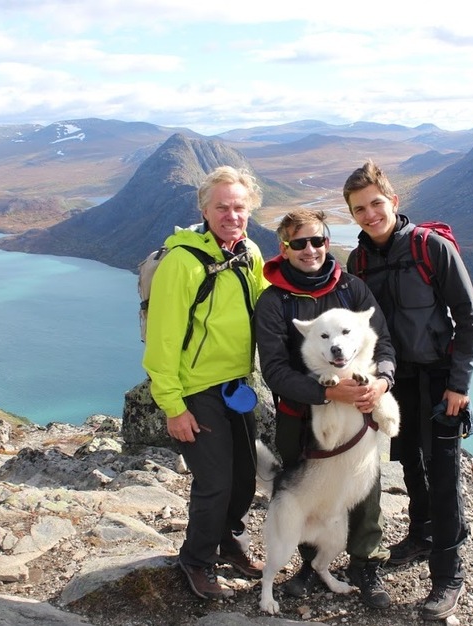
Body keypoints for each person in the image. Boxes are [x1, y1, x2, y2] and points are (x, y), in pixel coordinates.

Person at [342, 160, 473, 621]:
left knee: (443, 475)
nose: (369, 214)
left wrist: (459, 385)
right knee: (409, 463)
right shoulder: (358, 262)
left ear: (394, 202)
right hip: (394, 382)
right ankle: (421, 534)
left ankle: (448, 574)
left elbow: (468, 315)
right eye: (359, 209)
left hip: (440, 378)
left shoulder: (430, 247)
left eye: (376, 204)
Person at [254, 209, 396, 609]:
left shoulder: (352, 289)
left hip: (361, 412)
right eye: (299, 243)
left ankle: (366, 563)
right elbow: (275, 370)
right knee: (305, 490)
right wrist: (328, 394)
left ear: (326, 241)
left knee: (363, 487)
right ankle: (308, 563)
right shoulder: (274, 302)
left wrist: (383, 380)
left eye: (317, 240)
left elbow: (382, 343)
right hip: (300, 416)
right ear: (285, 247)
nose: (310, 250)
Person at [142, 165, 269, 600]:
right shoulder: (182, 261)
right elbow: (162, 339)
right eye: (222, 207)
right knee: (215, 482)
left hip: (236, 384)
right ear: (204, 209)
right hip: (196, 390)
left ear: (249, 209)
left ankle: (228, 541)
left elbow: (266, 301)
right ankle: (196, 560)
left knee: (246, 478)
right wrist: (173, 406)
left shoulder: (248, 251)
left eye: (239, 207)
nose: (232, 215)